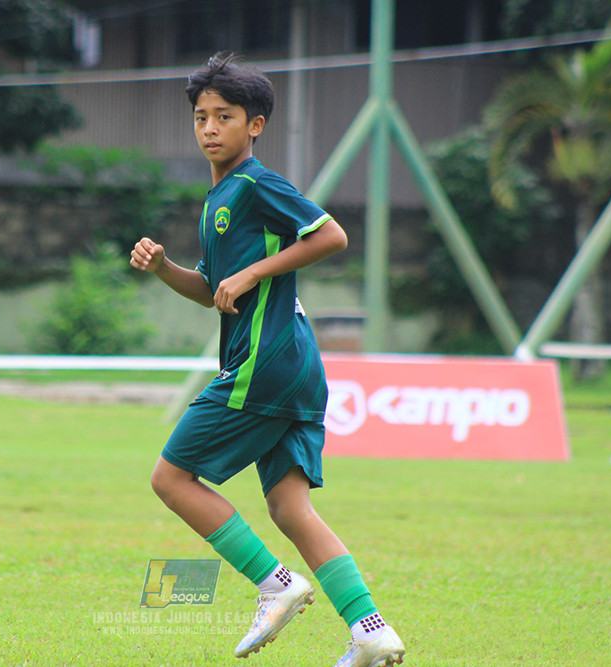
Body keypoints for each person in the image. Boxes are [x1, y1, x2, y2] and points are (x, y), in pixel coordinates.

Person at [129, 52, 405, 667]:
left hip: (267, 360)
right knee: (287, 505)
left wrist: (254, 269)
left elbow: (330, 234)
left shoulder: (254, 183)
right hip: (296, 366)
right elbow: (214, 290)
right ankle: (370, 630)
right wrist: (164, 268)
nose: (208, 127)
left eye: (223, 116)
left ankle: (275, 585)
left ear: (254, 125)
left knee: (171, 479)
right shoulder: (217, 199)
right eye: (200, 116)